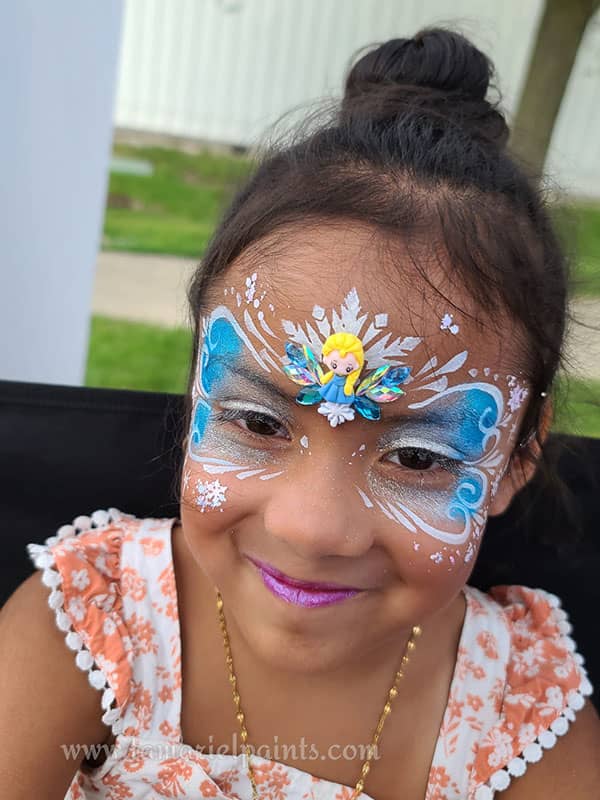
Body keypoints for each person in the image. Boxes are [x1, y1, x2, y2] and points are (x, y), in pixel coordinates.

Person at [1, 27, 599, 800]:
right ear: (197, 397)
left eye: (417, 457)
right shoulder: (92, 624)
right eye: (259, 422)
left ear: (517, 456)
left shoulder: (519, 708)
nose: (311, 528)